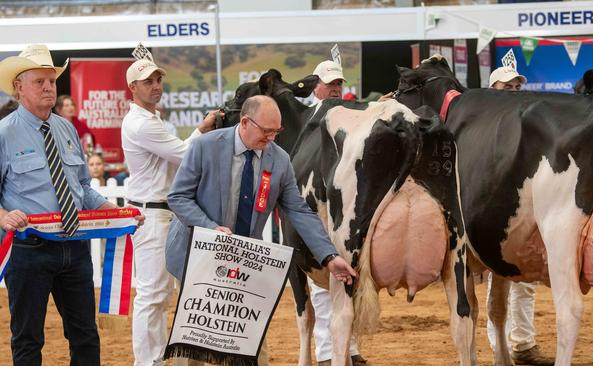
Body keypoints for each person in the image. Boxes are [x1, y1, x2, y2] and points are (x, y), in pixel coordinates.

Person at [165, 95, 357, 366]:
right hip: (196, 255)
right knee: (194, 346)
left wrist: (329, 256)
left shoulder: (279, 160)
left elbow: (299, 211)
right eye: (266, 131)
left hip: (244, 261)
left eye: (276, 132)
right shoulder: (204, 146)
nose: (272, 138)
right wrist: (210, 229)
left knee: (248, 341)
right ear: (245, 122)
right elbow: (179, 198)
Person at [0, 44, 143, 365]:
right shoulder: (4, 134)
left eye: (52, 81)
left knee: (85, 335)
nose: (49, 87)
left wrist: (117, 212)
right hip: (29, 249)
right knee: (28, 338)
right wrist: (5, 216)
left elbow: (81, 187)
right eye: (40, 81)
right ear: (19, 87)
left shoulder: (66, 128)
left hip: (75, 247)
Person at [121, 58, 219, 366]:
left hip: (159, 213)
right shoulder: (142, 123)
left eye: (158, 80)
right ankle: (148, 362)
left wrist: (200, 131)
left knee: (157, 295)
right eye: (148, 81)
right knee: (152, 295)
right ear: (132, 87)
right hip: (151, 215)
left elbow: (177, 155)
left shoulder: (150, 119)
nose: (156, 86)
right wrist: (204, 132)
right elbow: (185, 154)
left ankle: (154, 359)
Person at [485, 66, 554, 366]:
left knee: (525, 280)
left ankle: (523, 345)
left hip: (527, 209)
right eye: (506, 87)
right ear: (492, 90)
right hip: (492, 213)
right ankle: (499, 346)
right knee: (497, 281)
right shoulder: (483, 122)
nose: (513, 92)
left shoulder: (531, 122)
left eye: (516, 87)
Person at [310, 60, 367, 366]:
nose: (334, 88)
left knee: (350, 279)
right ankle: (325, 352)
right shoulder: (307, 117)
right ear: (314, 86)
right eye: (329, 83)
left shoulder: (349, 115)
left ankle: (349, 348)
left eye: (338, 84)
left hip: (346, 209)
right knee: (320, 283)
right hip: (314, 208)